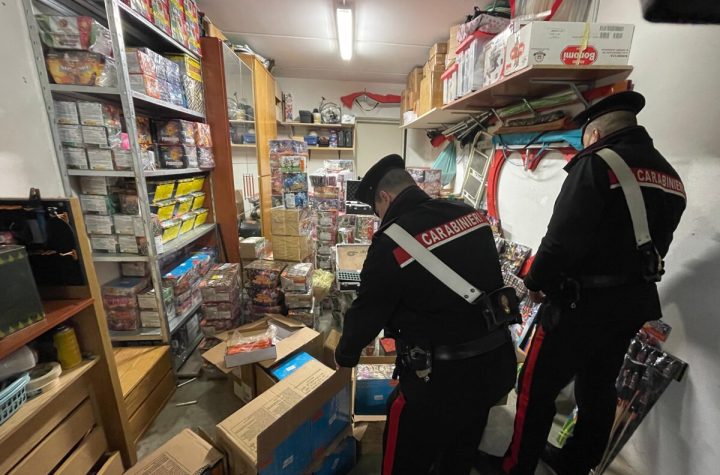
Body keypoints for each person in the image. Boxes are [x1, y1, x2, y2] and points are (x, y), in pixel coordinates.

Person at [495, 91, 686, 475]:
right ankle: (576, 463)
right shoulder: (670, 176)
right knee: (599, 387)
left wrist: (535, 282)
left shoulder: (597, 164)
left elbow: (560, 239)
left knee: (535, 388)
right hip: (632, 302)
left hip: (579, 305)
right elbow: (657, 244)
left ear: (595, 134)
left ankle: (516, 467)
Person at [334, 154, 518, 475]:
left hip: (439, 382)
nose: (379, 218)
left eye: (377, 210)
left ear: (384, 197)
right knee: (459, 454)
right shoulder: (469, 214)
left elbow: (367, 311)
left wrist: (344, 356)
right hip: (494, 364)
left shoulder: (391, 242)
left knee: (405, 459)